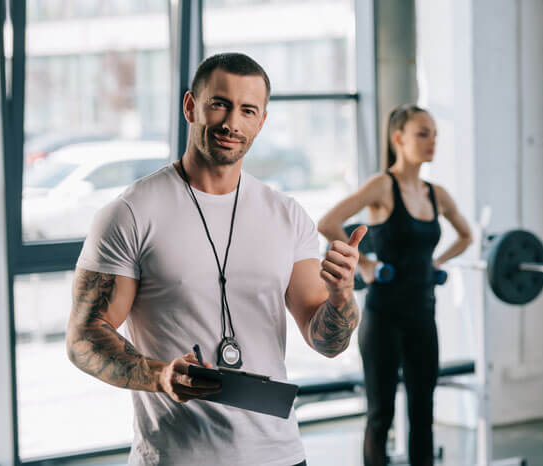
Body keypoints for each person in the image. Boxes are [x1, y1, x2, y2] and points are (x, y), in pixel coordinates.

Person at [66, 52, 367, 466]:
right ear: (191, 106)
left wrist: (341, 298)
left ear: (261, 121)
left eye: (248, 110)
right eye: (219, 104)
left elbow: (326, 341)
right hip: (176, 458)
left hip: (279, 455)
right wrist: (160, 376)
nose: (232, 123)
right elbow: (83, 337)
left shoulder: (287, 215)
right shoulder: (132, 211)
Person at [317, 104, 472, 466]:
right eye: (423, 133)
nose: (431, 140)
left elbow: (466, 235)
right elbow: (329, 222)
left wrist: (437, 262)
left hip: (423, 316)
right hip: (383, 318)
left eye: (434, 133)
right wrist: (366, 264)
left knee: (423, 414)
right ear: (399, 138)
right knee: (380, 415)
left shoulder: (437, 194)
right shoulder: (382, 186)